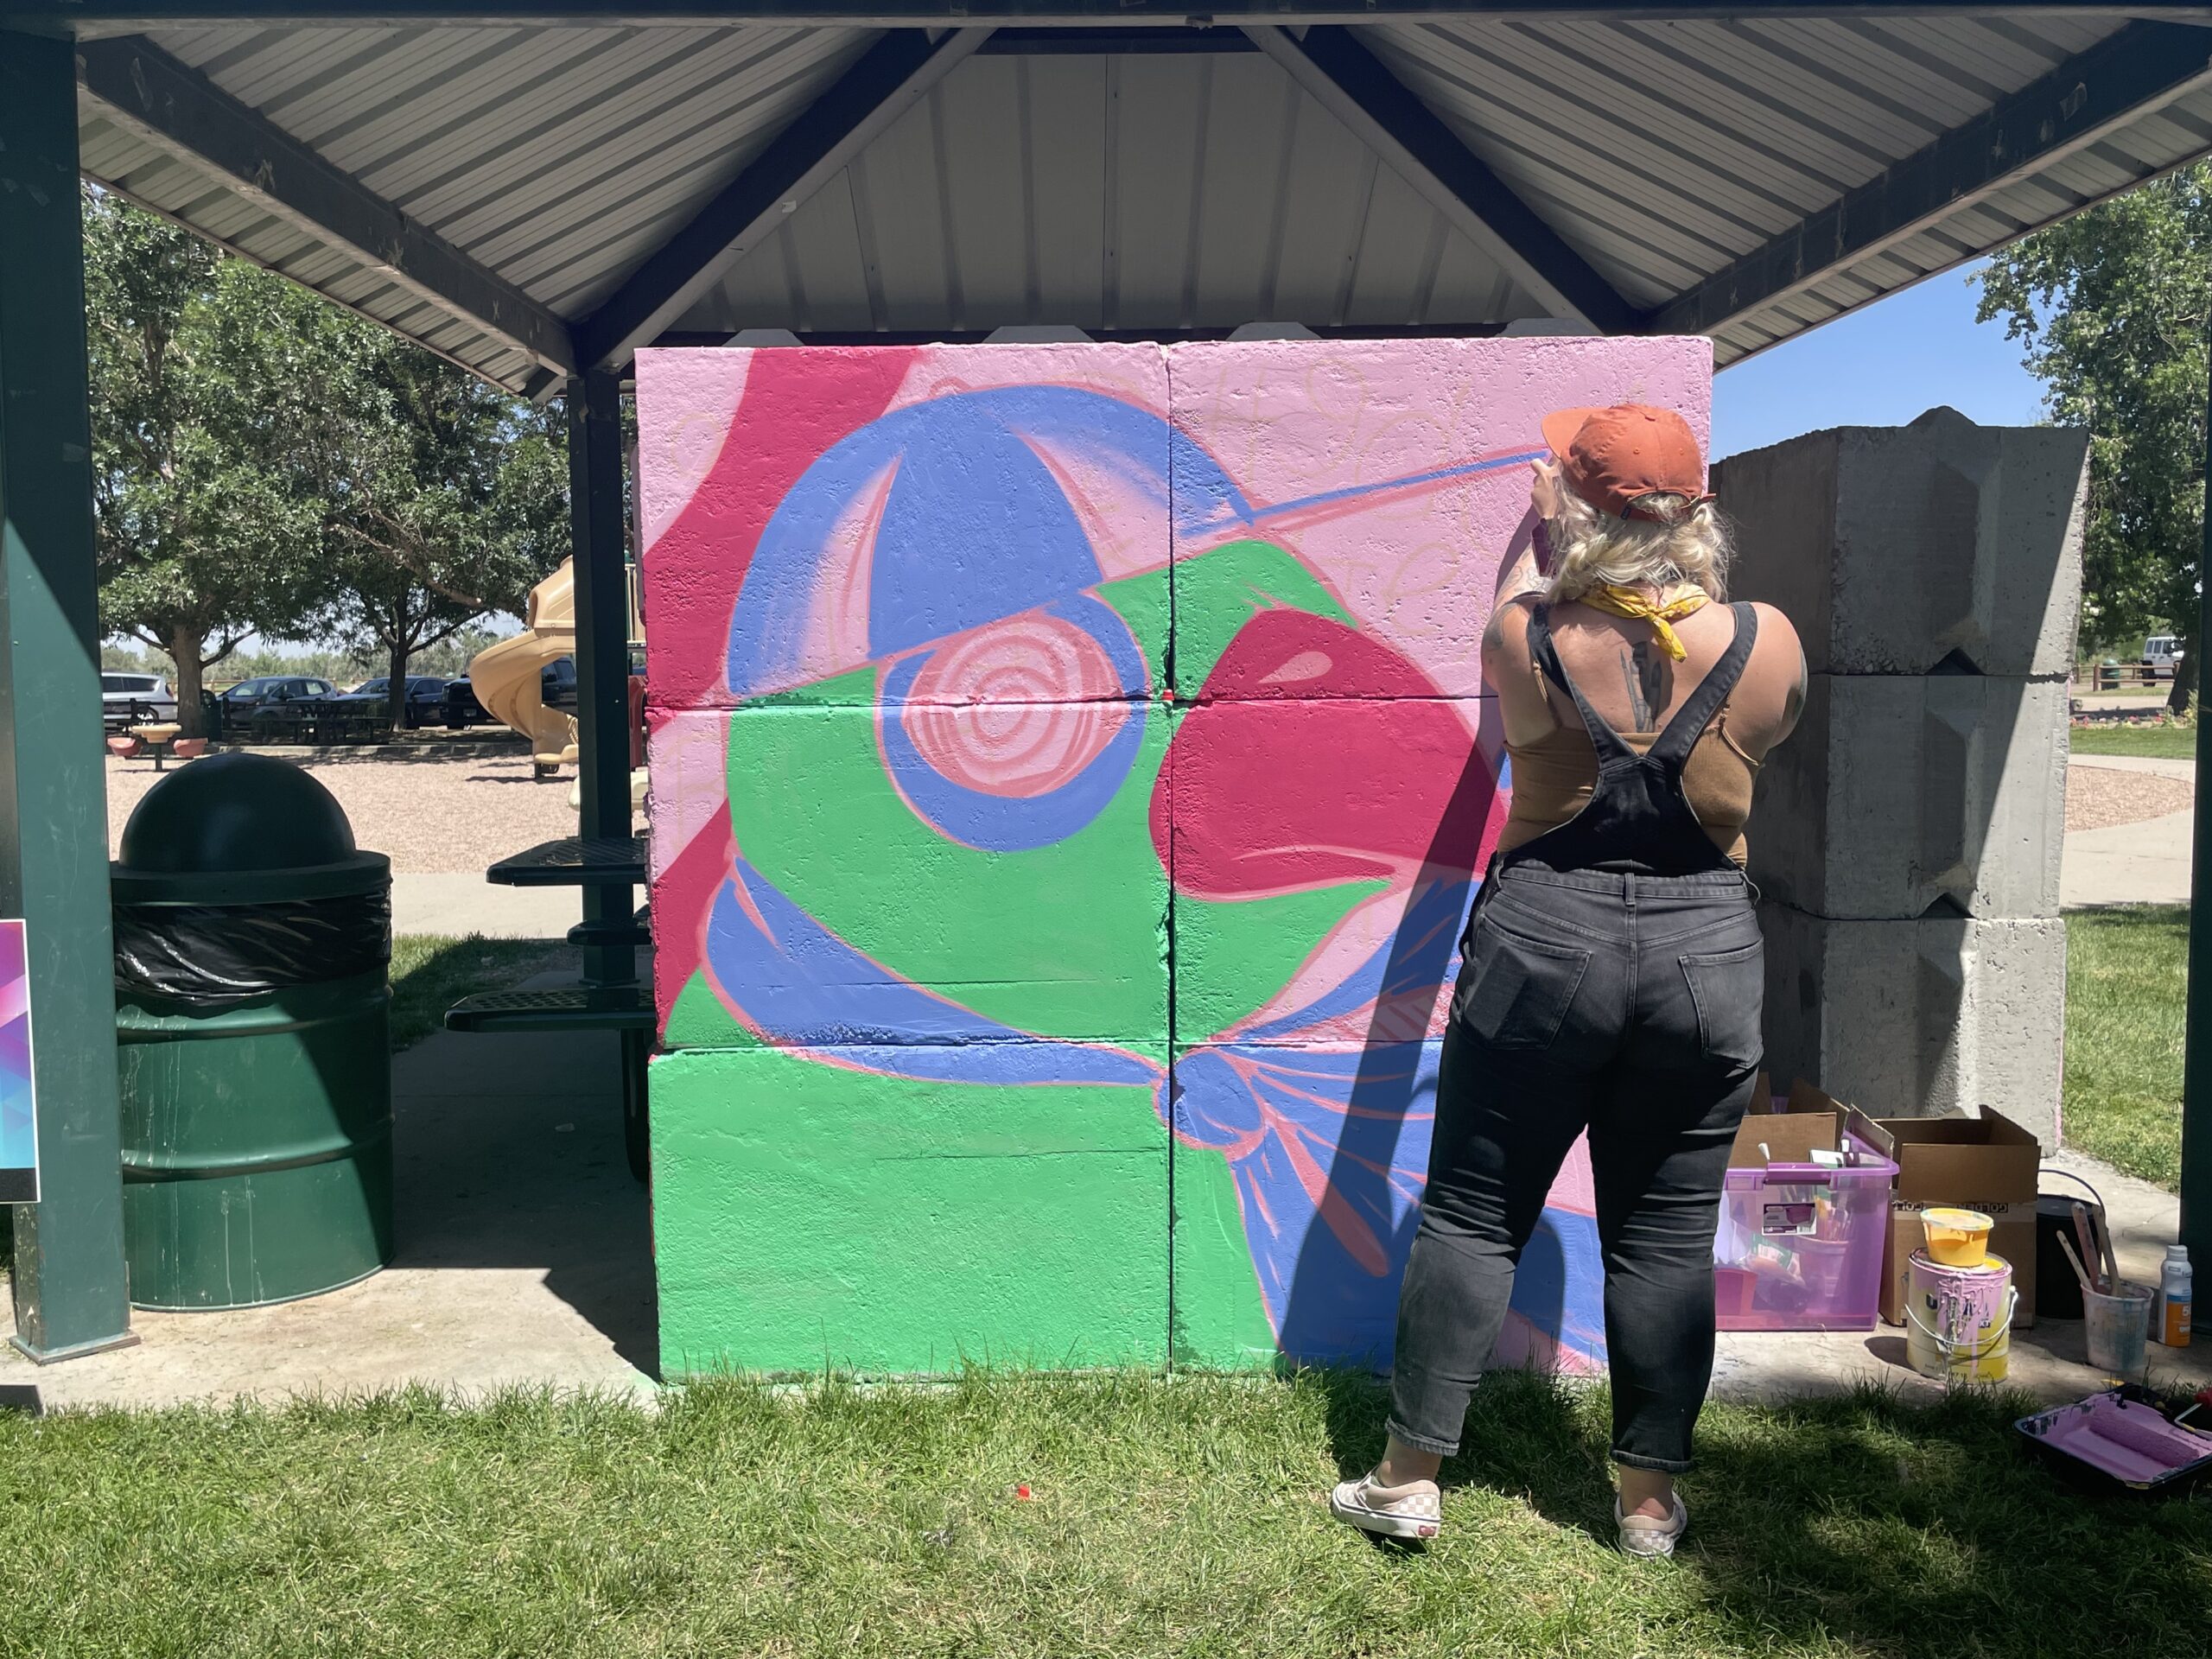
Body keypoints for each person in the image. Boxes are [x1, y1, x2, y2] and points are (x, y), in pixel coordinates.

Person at [1329, 404, 1806, 1558]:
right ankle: (1645, 1505)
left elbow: (1503, 632)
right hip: (1704, 954)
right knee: (1666, 1233)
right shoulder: (1767, 639)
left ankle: (1407, 1479)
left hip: (1544, 943)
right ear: (1699, 512)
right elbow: (1759, 723)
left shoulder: (1527, 634)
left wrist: (1539, 538)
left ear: (1576, 510)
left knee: (1474, 1212)